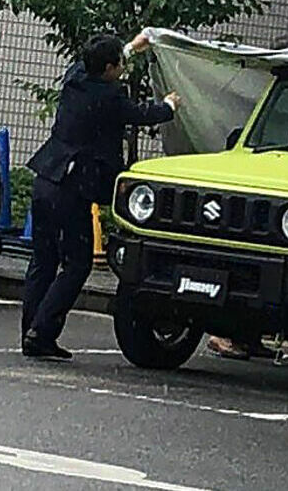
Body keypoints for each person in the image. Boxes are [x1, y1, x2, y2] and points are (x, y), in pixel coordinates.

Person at [21, 33, 181, 360]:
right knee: (77, 264)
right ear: (109, 68)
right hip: (72, 188)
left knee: (43, 260)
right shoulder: (108, 98)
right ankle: (41, 332)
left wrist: (131, 48)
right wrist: (169, 106)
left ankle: (31, 332)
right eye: (120, 64)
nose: (123, 69)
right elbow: (142, 114)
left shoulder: (75, 78)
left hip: (46, 177)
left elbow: (90, 63)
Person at [207, 33, 288, 361]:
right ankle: (228, 334)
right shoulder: (278, 91)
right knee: (242, 270)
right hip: (259, 193)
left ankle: (246, 337)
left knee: (252, 273)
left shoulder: (280, 89)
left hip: (269, 192)